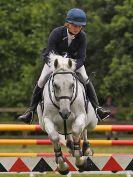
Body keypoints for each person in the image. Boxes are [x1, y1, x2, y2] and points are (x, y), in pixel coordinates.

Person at [18, 8, 111, 124]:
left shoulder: (83, 37)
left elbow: (82, 57)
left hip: (73, 64)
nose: (77, 28)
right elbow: (49, 52)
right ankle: (30, 111)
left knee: (86, 79)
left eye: (80, 26)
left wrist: (71, 67)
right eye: (75, 25)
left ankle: (98, 109)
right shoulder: (56, 33)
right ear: (68, 23)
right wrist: (56, 65)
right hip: (54, 63)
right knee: (41, 80)